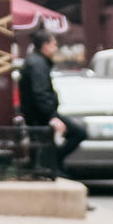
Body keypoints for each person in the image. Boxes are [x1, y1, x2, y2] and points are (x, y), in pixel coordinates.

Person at [19, 25, 86, 171]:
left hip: (39, 115)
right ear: (45, 45)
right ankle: (52, 162)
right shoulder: (37, 64)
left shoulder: (37, 62)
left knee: (42, 145)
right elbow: (40, 93)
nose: (56, 48)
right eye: (54, 44)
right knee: (79, 132)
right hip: (41, 116)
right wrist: (52, 116)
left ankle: (51, 164)